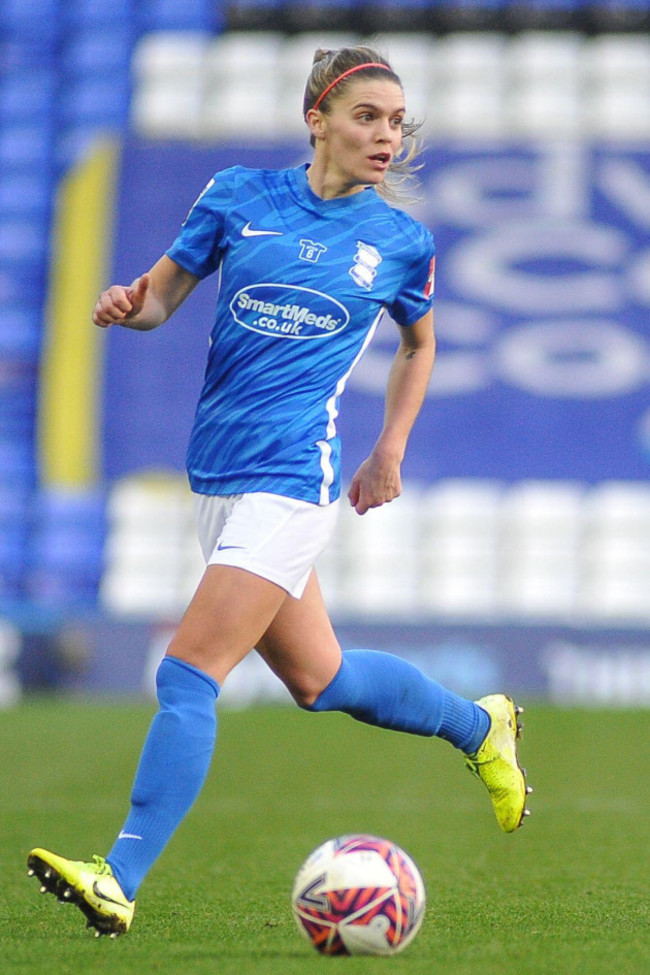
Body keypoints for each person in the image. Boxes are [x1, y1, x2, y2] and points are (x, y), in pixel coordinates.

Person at [27, 45, 530, 939]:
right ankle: (477, 725)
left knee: (188, 671)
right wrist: (123, 305)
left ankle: (118, 874)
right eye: (368, 117)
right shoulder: (235, 197)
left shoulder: (400, 241)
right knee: (320, 678)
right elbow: (160, 299)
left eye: (396, 122)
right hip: (217, 474)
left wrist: (390, 448)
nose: (386, 136)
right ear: (318, 120)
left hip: (294, 478)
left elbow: (421, 344)